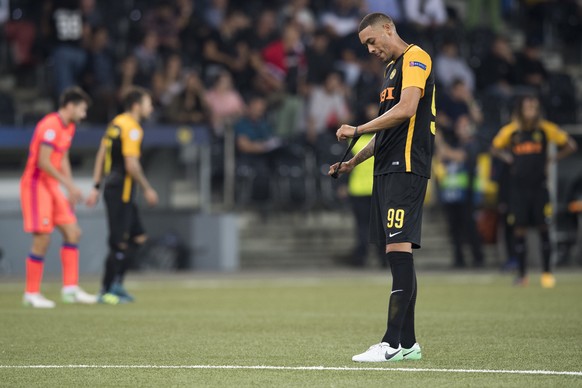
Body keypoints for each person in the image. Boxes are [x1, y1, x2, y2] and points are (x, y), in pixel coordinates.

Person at [329, 12, 435, 362]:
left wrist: (357, 129)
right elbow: (388, 130)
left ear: (388, 28)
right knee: (398, 252)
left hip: (406, 168)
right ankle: (408, 344)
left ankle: (390, 342)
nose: (370, 49)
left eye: (372, 41)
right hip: (389, 169)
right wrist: (353, 162)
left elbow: (405, 110)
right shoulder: (391, 71)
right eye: (365, 46)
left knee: (397, 252)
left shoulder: (416, 57)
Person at [20, 87, 97, 308]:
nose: (84, 115)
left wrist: (71, 186)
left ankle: (70, 289)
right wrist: (67, 185)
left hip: (52, 185)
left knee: (73, 233)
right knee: (42, 238)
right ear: (70, 106)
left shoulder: (69, 126)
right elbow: (43, 162)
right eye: (82, 109)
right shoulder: (50, 126)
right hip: (36, 185)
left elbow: (62, 156)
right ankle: (31, 293)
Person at [491, 95, 577, 287]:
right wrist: (509, 158)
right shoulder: (512, 131)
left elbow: (571, 145)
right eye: (528, 106)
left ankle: (547, 273)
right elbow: (495, 147)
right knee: (519, 230)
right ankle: (522, 275)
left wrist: (552, 159)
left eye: (534, 106)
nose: (531, 109)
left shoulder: (546, 129)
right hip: (518, 189)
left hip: (539, 187)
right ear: (520, 109)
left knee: (543, 229)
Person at [86, 87, 159, 304]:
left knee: (138, 237)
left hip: (112, 186)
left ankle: (116, 285)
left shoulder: (115, 123)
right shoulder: (133, 128)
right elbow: (131, 164)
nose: (151, 108)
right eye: (148, 103)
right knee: (118, 242)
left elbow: (101, 154)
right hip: (121, 190)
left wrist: (97, 185)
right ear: (136, 105)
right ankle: (106, 290)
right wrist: (147, 188)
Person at [435, 115, 485, 268]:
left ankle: (478, 257)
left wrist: (440, 142)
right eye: (459, 126)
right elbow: (441, 158)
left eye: (464, 126)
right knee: (454, 229)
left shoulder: (474, 144)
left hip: (467, 193)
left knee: (470, 227)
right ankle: (459, 259)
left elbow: (460, 157)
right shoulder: (455, 143)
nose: (461, 129)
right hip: (451, 194)